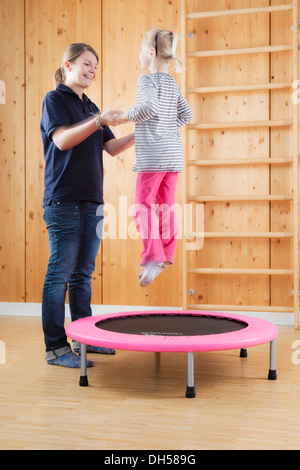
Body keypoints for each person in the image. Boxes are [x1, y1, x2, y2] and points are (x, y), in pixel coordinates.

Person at [40, 43, 133, 368]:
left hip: (92, 200)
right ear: (68, 65)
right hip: (63, 200)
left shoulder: (91, 106)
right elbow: (62, 140)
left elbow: (111, 147)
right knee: (60, 274)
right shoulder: (55, 100)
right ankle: (56, 348)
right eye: (86, 64)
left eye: (95, 66)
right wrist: (98, 121)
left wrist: (140, 131)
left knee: (83, 274)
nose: (92, 70)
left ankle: (85, 339)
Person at [115, 29, 192, 287]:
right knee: (166, 207)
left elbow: (148, 109)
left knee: (143, 207)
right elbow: (187, 115)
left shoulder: (147, 81)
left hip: (152, 157)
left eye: (140, 49)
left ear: (150, 53)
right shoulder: (172, 83)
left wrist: (126, 115)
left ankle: (152, 257)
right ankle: (165, 256)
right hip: (172, 157)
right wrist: (168, 127)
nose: (139, 53)